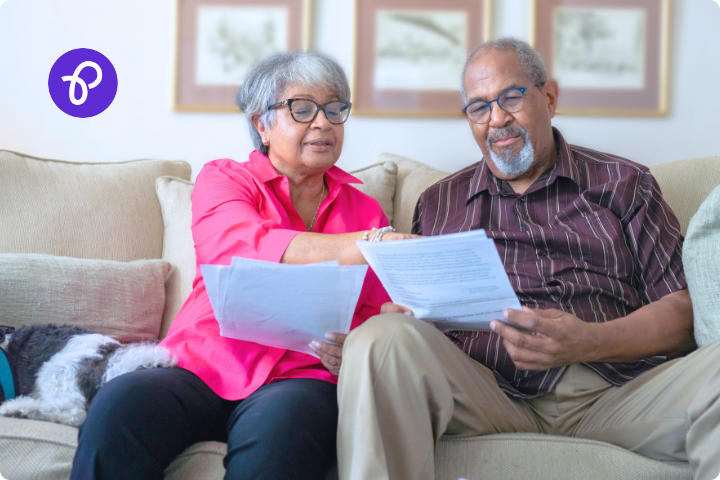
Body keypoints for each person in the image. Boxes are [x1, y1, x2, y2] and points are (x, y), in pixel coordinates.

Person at [336, 38, 720, 480]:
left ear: (549, 98)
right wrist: (406, 319)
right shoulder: (440, 203)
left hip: (618, 391)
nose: (497, 118)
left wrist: (589, 340)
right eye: (478, 107)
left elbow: (679, 310)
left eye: (511, 97)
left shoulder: (625, 183)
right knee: (379, 337)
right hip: (489, 393)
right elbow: (422, 320)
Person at [70, 51, 413, 480]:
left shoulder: (365, 211)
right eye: (302, 109)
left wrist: (360, 344)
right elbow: (239, 247)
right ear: (261, 124)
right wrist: (366, 244)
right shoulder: (226, 179)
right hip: (201, 366)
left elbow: (375, 309)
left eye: (334, 109)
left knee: (283, 438)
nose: (323, 122)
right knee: (119, 406)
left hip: (301, 377)